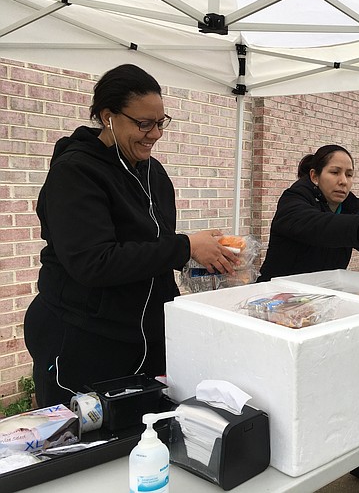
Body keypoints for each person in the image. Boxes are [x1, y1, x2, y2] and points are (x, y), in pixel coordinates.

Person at [24, 64, 239, 408]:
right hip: (82, 339)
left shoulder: (154, 173)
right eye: (143, 124)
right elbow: (94, 262)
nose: (155, 134)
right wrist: (185, 246)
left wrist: (202, 264)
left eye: (160, 123)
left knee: (146, 440)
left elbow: (154, 250)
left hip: (143, 339)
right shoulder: (75, 172)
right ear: (108, 117)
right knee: (83, 446)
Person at [258, 144, 359, 281]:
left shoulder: (349, 211)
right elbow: (320, 226)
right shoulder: (293, 202)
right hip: (276, 298)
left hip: (320, 300)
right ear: (314, 176)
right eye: (335, 172)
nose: (343, 181)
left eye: (349, 174)